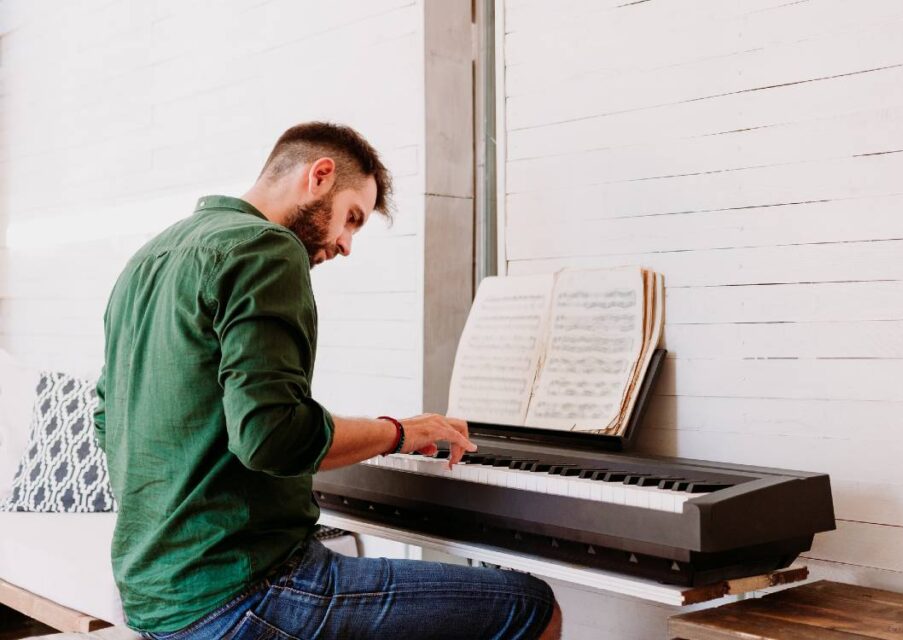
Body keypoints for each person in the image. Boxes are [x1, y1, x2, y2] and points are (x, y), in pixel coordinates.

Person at [94, 122, 561, 639]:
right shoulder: (264, 249)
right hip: (242, 595)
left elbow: (106, 419)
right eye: (351, 219)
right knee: (531, 606)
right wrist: (402, 432)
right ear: (319, 176)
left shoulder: (147, 261)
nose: (344, 245)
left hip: (152, 598)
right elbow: (272, 438)